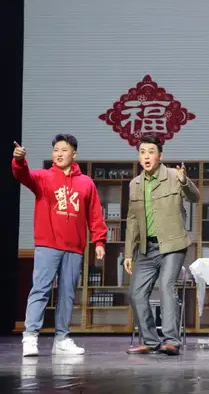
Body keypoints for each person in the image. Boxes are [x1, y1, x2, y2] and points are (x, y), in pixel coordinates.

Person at [12, 135, 107, 357]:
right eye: (56, 150)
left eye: (64, 150)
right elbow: (22, 175)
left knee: (67, 294)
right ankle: (30, 336)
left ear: (74, 154)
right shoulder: (43, 177)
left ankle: (62, 339)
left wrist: (99, 241)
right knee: (41, 289)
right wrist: (19, 160)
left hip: (74, 247)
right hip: (48, 244)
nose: (59, 154)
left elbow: (95, 215)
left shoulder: (86, 183)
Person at [124, 134, 200, 356]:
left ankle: (171, 341)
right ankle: (150, 341)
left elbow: (195, 197)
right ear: (139, 157)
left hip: (173, 245)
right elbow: (132, 220)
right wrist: (128, 253)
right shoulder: (134, 184)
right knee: (136, 293)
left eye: (151, 152)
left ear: (160, 156)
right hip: (146, 249)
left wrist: (185, 181)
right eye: (142, 152)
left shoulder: (175, 176)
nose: (146, 156)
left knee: (167, 286)